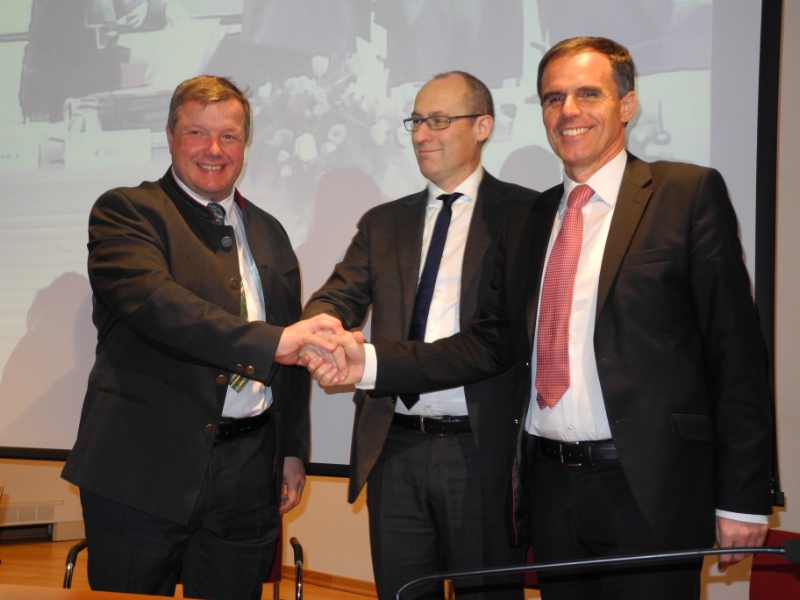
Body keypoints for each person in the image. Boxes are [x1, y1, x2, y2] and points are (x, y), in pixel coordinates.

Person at [306, 38, 774, 599]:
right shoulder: (529, 218)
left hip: (649, 485)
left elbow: (736, 352)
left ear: (627, 104)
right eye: (554, 98)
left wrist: (743, 495)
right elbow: (489, 343)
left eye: (588, 94)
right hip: (550, 485)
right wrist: (368, 364)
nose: (568, 110)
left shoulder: (685, 193)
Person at [62, 75, 342, 600]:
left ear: (245, 143)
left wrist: (292, 450)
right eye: (197, 133)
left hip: (248, 473)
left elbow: (290, 350)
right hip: (141, 468)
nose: (214, 149)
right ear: (170, 136)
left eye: (229, 136)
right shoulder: (127, 212)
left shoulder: (270, 232)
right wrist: (271, 343)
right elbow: (158, 305)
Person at [302, 71, 538, 600]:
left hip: (482, 450)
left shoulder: (524, 214)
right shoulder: (384, 222)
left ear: (483, 126)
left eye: (439, 121)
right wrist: (322, 333)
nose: (422, 135)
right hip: (395, 447)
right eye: (415, 122)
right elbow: (337, 295)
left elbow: (498, 339)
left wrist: (366, 361)